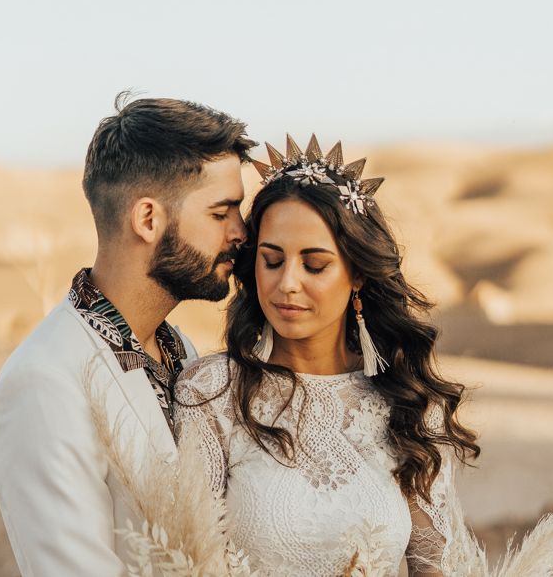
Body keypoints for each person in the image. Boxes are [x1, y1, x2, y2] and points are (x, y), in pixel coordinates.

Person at [173, 134, 480, 576]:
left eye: (314, 265)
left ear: (357, 274)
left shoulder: (408, 404)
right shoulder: (211, 394)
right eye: (272, 260)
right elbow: (188, 561)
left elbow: (435, 568)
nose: (288, 283)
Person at [0, 93, 255, 575]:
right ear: (148, 219)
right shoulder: (44, 382)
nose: (241, 232)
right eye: (221, 213)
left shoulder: (183, 353)